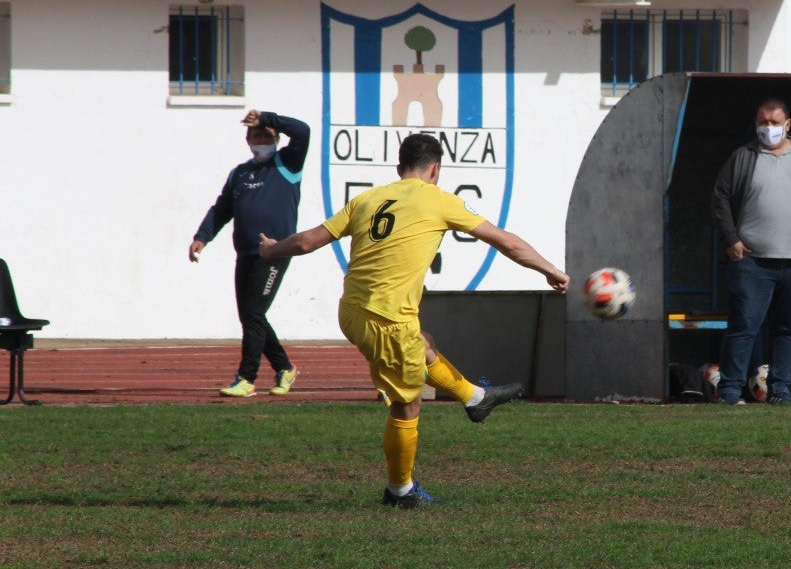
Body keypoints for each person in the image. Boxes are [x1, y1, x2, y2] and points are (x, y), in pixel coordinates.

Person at [258, 132, 569, 509]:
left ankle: (475, 398)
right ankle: (400, 491)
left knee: (425, 343)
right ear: (435, 169)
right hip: (386, 320)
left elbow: (307, 241)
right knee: (407, 405)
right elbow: (509, 243)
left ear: (398, 167)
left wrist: (273, 249)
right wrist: (550, 271)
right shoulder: (438, 200)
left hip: (353, 311)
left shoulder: (367, 198)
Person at [710, 97, 791, 405]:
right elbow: (720, 199)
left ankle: (780, 391)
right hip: (752, 262)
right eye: (762, 123)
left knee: (787, 329)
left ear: (787, 125)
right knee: (743, 327)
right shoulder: (743, 157)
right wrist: (732, 241)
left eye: (774, 123)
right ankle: (730, 392)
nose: (768, 128)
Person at [190, 109, 309, 398]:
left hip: (275, 252)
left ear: (277, 138)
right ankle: (284, 368)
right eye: (256, 135)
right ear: (248, 141)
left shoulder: (287, 164)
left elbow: (303, 130)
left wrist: (268, 117)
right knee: (250, 316)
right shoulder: (240, 173)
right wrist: (202, 237)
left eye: (267, 135)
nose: (262, 139)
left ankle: (246, 378)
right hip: (245, 253)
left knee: (254, 312)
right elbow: (221, 209)